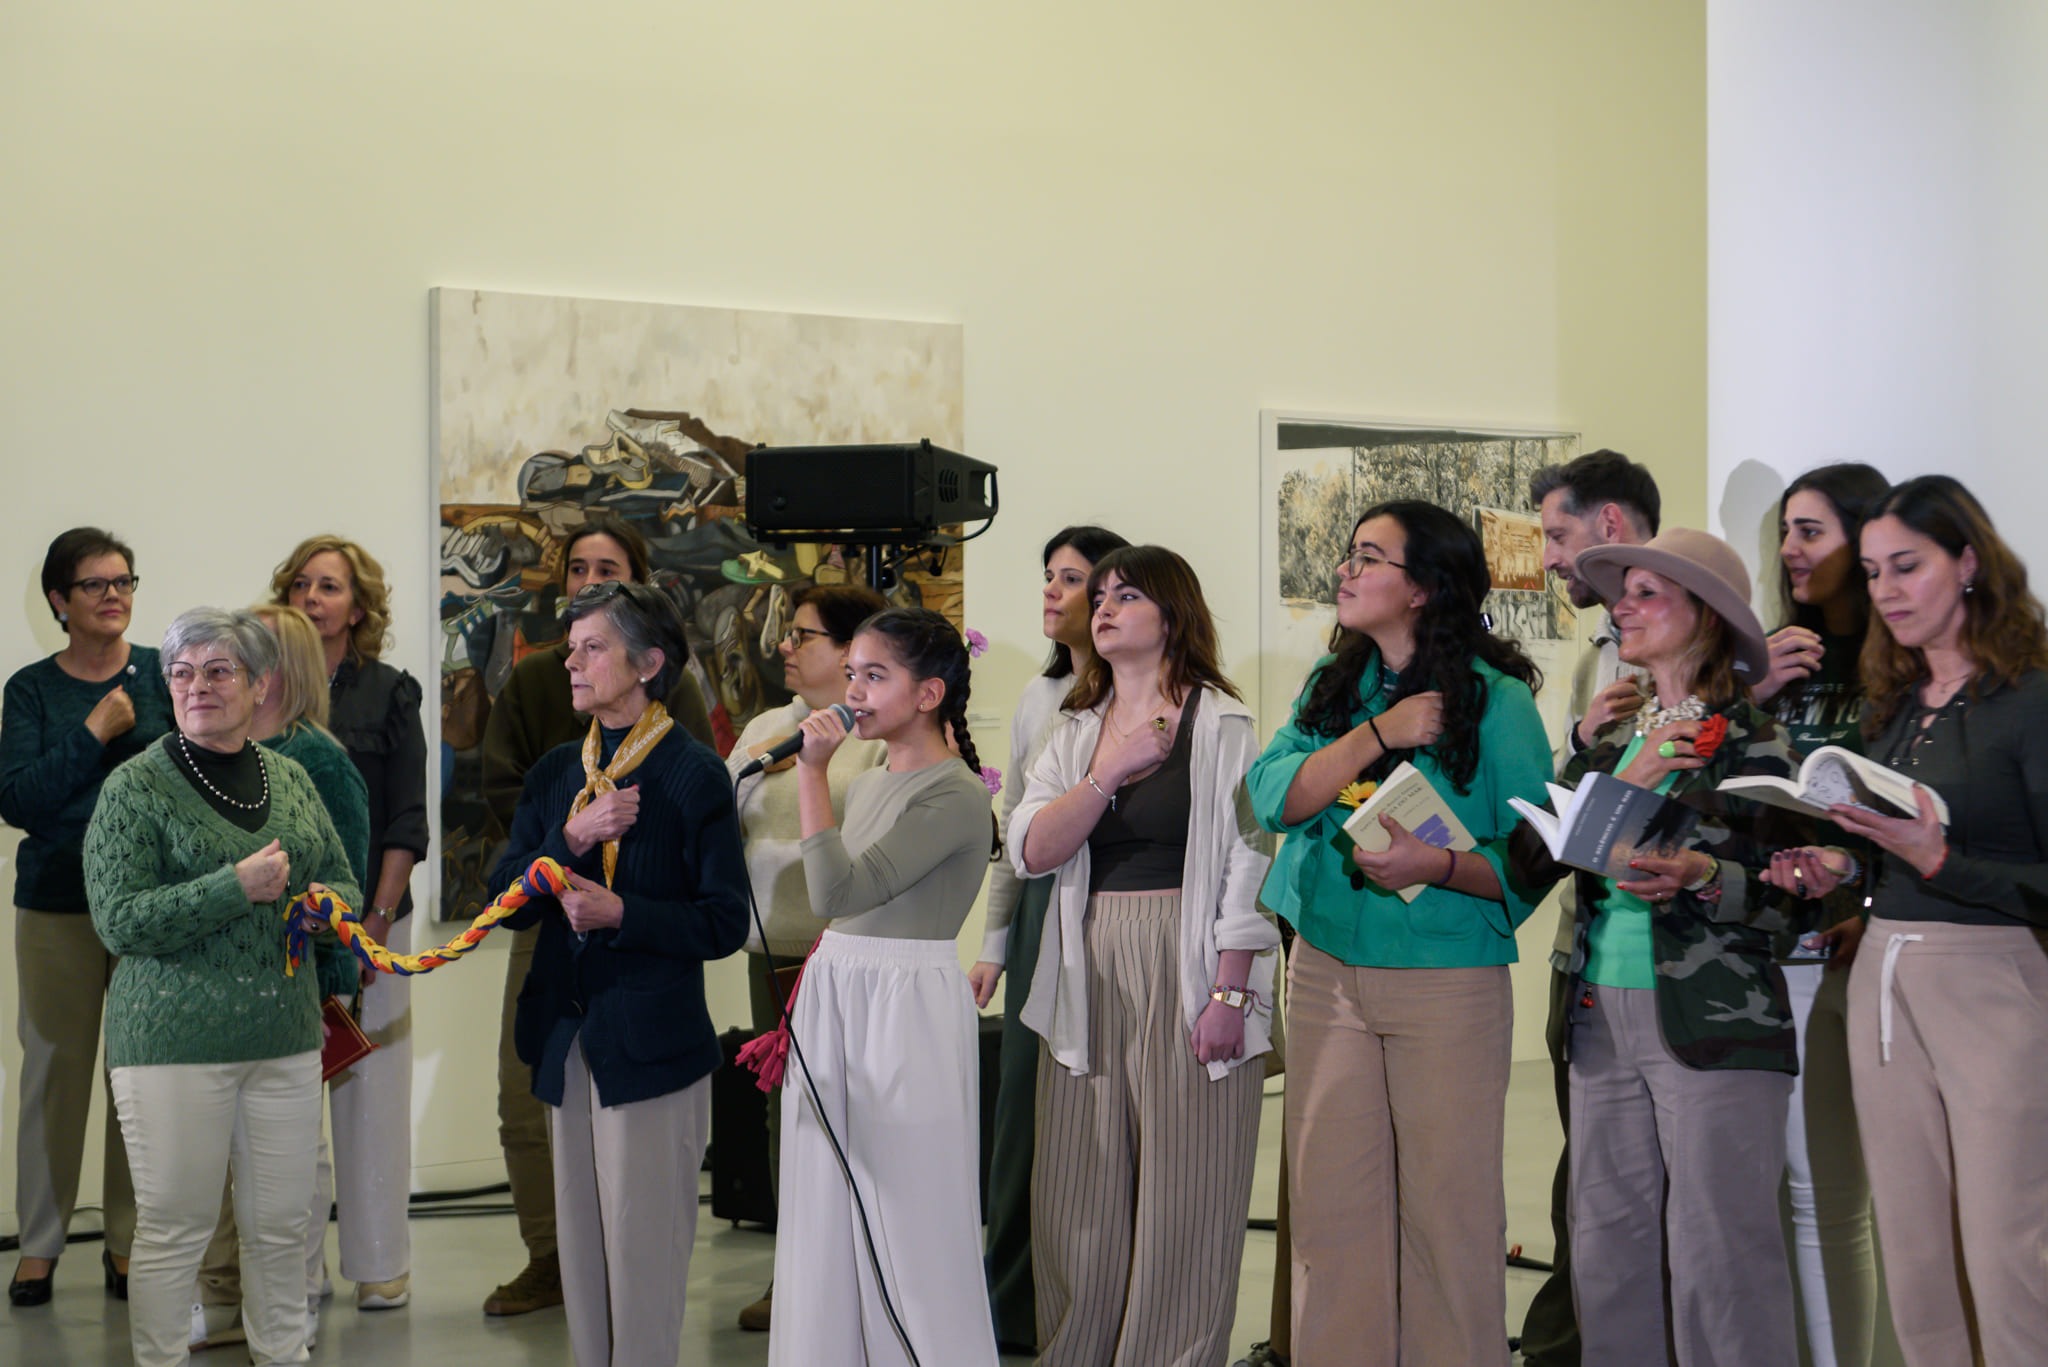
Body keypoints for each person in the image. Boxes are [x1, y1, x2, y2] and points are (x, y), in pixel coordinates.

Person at [1245, 502, 1550, 1367]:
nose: (1345, 570)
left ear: (1422, 588)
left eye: (1369, 557)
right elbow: (1274, 795)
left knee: (1449, 1213)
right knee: (1331, 1211)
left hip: (1445, 980)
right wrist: (1378, 732)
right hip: (1326, 967)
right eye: (1349, 553)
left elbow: (1535, 857)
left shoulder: (1497, 702)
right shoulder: (1335, 683)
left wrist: (1437, 865)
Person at [1508, 528, 1810, 1367]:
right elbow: (1527, 861)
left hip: (1714, 1023)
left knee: (1723, 1261)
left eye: (1647, 593)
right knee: (1606, 1254)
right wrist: (1620, 780)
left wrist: (1705, 875)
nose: (1623, 608)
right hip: (1597, 1019)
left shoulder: (1758, 742)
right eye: (1623, 592)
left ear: (1706, 615)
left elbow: (1797, 900)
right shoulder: (1614, 740)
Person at [1775, 475, 2048, 1366]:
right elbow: (1895, 852)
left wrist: (1942, 862)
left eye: (1907, 566)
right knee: (1915, 1253)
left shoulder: (2031, 700)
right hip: (1884, 977)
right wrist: (1842, 866)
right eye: (1873, 571)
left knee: (2009, 1253)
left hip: (1995, 984)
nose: (1886, 589)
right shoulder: (1892, 700)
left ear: (1968, 563)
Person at [1011, 546, 1280, 1367]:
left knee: (1187, 1188)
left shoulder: (1222, 723)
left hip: (1185, 954)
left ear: (1172, 614)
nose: (1104, 606)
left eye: (1126, 594)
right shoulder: (1074, 728)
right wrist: (1110, 772)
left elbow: (1250, 860)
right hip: (1085, 957)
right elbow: (1031, 847)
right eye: (1100, 594)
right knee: (1076, 1185)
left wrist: (1231, 994)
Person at [83, 607, 359, 1367]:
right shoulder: (134, 787)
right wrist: (232, 888)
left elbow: (342, 879)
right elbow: (118, 919)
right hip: (173, 1045)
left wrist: (327, 907)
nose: (197, 685)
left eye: (217, 670)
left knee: (282, 1226)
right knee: (175, 1227)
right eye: (182, 672)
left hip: (285, 1038)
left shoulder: (292, 777)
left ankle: (284, 1354)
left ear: (260, 683)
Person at [496, 580, 749, 1367]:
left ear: (648, 663)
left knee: (644, 1257)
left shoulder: (695, 775)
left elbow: (724, 922)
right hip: (566, 1038)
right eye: (570, 648)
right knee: (582, 1258)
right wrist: (569, 841)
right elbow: (505, 902)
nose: (571, 662)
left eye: (592, 647)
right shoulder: (555, 776)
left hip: (652, 1047)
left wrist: (623, 913)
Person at [766, 607, 1001, 1367]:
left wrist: (810, 772)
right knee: (826, 1205)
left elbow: (836, 891)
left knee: (905, 1212)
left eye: (875, 676)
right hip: (839, 988)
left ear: (928, 693)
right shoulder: (871, 780)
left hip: (902, 1007)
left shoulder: (954, 794)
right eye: (852, 674)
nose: (854, 692)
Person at [189, 604, 371, 1351]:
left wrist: (330, 974)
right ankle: (230, 1297)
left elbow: (343, 881)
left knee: (291, 1151)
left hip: (303, 981)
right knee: (222, 1146)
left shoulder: (319, 763)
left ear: (276, 671)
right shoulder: (209, 753)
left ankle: (294, 1292)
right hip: (224, 983)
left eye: (241, 655)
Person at [968, 523, 1128, 1355]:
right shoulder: (1041, 696)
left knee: (1106, 1109)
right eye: (1049, 575)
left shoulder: (1147, 691)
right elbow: (1013, 831)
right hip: (1041, 907)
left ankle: (1098, 1298)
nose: (1052, 591)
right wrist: (994, 944)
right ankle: (1013, 1304)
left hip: (1122, 908)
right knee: (1023, 1114)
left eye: (1071, 578)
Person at [1, 527, 171, 1306]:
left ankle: (128, 1241)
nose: (114, 595)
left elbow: (188, 779)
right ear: (58, 600)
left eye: (123, 580)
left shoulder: (165, 674)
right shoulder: (32, 690)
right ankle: (39, 1245)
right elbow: (19, 798)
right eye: (95, 584)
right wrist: (93, 733)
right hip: (57, 902)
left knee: (136, 1076)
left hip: (147, 908)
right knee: (54, 1073)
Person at [1751, 462, 1897, 1367]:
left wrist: (1862, 891)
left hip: (1849, 950)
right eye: (1785, 532)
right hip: (1758, 944)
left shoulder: (1902, 665)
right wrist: (1750, 689)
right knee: (1769, 1195)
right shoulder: (1775, 658)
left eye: (1811, 531)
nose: (1790, 550)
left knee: (1826, 1194)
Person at [1520, 450, 1660, 1367]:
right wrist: (1579, 741)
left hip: (1675, 966)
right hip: (1586, 957)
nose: (1545, 559)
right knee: (1592, 1181)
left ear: (1609, 524)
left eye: (1556, 534)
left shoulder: (1716, 653)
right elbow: (1569, 814)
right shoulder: (1591, 663)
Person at [724, 581, 888, 1333]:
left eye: (803, 635)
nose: (784, 646)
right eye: (787, 634)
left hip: (850, 952)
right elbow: (721, 813)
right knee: (783, 1113)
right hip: (773, 953)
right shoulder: (766, 727)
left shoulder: (879, 731)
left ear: (852, 650)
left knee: (855, 1109)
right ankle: (793, 1273)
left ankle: (862, 1270)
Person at [270, 535, 426, 1311]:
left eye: (329, 586)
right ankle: (299, 1271)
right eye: (300, 583)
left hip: (371, 922)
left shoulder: (390, 692)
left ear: (358, 607)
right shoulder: (262, 689)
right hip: (285, 933)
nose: (311, 597)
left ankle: (379, 1263)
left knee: (371, 1097)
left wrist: (377, 922)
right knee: (288, 1101)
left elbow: (406, 818)